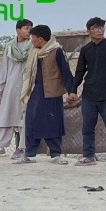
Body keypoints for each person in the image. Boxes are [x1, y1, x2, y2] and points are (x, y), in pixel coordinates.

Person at [13, 25, 73, 165]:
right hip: (35, 91)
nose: (31, 40)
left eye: (33, 38)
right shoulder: (34, 51)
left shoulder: (57, 51)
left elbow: (66, 72)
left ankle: (56, 155)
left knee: (52, 123)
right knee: (32, 122)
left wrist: (71, 91)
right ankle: (30, 155)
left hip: (52, 93)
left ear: (40, 39)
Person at [72, 17, 106, 166]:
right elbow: (80, 71)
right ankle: (88, 155)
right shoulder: (85, 50)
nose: (100, 30)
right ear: (89, 31)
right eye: (96, 28)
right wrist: (72, 90)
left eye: (102, 27)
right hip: (89, 94)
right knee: (87, 127)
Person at [0, 20, 32, 159]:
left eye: (30, 28)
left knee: (24, 116)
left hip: (27, 86)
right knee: (6, 115)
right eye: (26, 28)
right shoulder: (9, 47)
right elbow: (4, 67)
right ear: (18, 30)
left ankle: (22, 147)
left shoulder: (33, 46)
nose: (29, 31)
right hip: (11, 86)